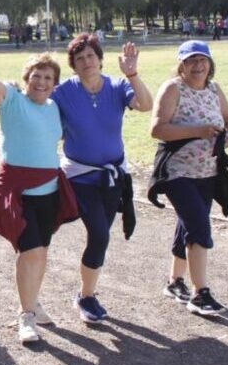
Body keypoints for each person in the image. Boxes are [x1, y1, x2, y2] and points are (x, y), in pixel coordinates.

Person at [0, 22, 78, 343]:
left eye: (48, 78)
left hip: (49, 192)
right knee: (30, 251)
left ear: (54, 83)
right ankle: (25, 316)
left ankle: (33, 302)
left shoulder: (55, 108)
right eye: (36, 76)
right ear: (26, 78)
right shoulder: (12, 100)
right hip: (19, 192)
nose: (41, 82)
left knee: (40, 252)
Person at [51, 33, 153, 324]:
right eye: (79, 58)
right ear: (73, 64)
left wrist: (132, 74)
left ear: (100, 59)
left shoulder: (117, 86)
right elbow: (39, 106)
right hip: (80, 176)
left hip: (112, 177)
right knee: (100, 233)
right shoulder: (63, 92)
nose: (86, 62)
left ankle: (85, 293)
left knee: (99, 238)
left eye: (91, 56)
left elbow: (146, 104)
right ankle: (87, 297)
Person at [149, 40, 228, 315]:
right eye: (191, 60)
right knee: (199, 227)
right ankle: (201, 295)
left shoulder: (214, 89)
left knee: (188, 223)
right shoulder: (173, 88)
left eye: (202, 60)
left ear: (210, 63)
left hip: (207, 172)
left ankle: (175, 281)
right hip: (177, 172)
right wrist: (197, 131)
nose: (198, 65)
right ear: (181, 64)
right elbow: (157, 129)